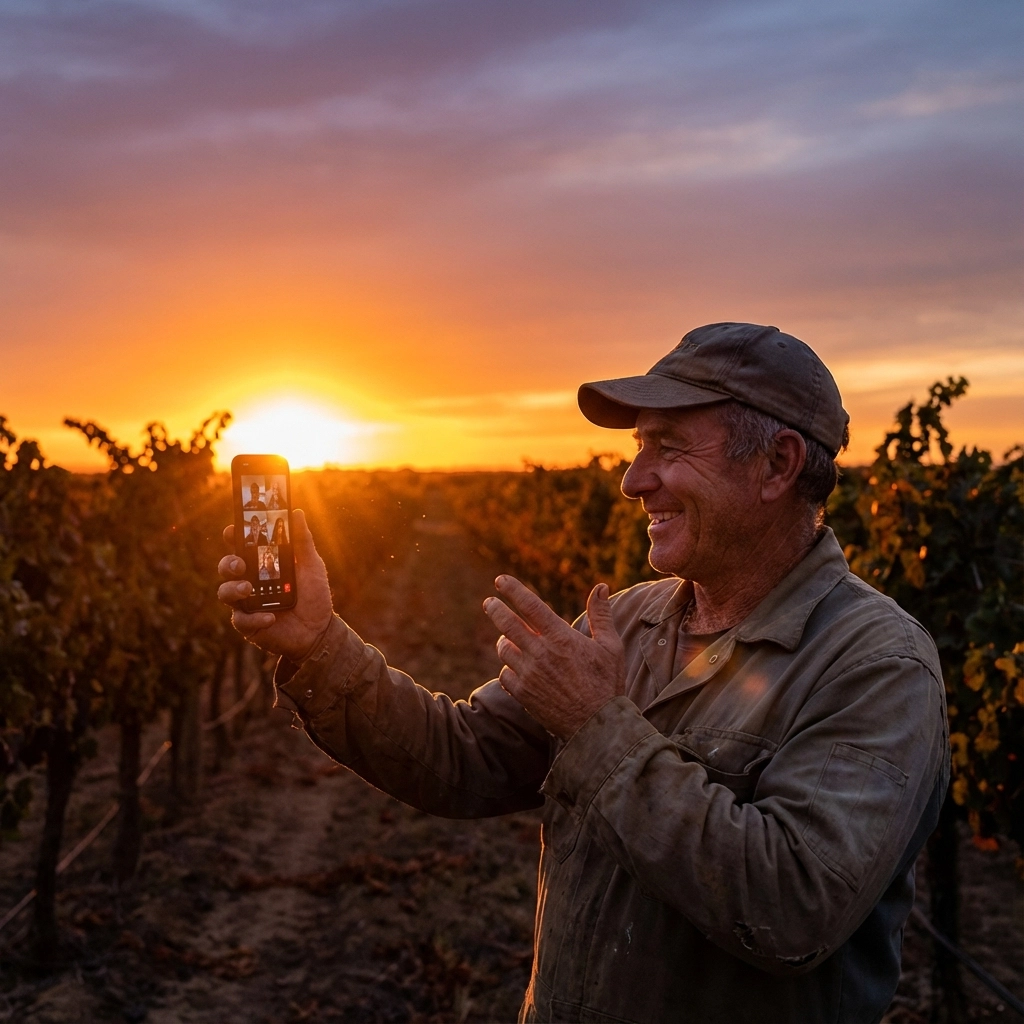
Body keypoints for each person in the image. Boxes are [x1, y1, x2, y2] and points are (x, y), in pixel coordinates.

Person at [217, 322, 948, 1024]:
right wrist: (315, 645)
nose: (634, 480)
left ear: (778, 465)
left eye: (667, 448)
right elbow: (463, 759)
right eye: (638, 449)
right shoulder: (629, 619)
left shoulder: (877, 664)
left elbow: (791, 907)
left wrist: (599, 728)